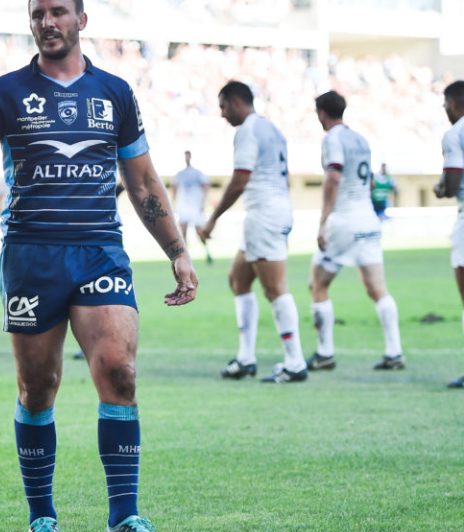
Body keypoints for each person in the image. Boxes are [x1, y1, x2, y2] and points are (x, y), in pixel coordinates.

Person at [0, 2, 198, 532]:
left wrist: (176, 248)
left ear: (82, 20)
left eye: (59, 11)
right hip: (31, 255)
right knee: (38, 387)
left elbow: (144, 182)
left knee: (119, 372)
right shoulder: (7, 92)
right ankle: (42, 520)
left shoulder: (115, 93)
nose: (47, 22)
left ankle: (124, 517)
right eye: (38, 14)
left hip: (100, 249)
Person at [199, 81, 308, 383]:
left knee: (275, 289)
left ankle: (295, 362)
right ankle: (246, 358)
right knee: (238, 278)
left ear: (236, 102)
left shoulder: (246, 130)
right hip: (273, 211)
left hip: (265, 214)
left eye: (222, 106)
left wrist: (213, 219)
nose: (222, 114)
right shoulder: (271, 128)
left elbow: (240, 180)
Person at [306, 91, 404, 372]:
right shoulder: (360, 139)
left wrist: (323, 222)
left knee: (318, 285)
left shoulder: (332, 139)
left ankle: (324, 352)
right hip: (368, 221)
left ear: (322, 113)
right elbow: (370, 182)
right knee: (378, 289)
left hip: (344, 221)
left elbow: (334, 177)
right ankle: (394, 351)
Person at [434, 81, 464, 388]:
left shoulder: (455, 134)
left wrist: (439, 187)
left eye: (445, 104)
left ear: (454, 103)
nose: (444, 110)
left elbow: (452, 185)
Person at [171, 150, 212, 264]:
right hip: (183, 206)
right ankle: (185, 257)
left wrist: (203, 203)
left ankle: (207, 252)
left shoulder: (198, 173)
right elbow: (174, 188)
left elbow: (206, 186)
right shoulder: (179, 174)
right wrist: (174, 203)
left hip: (195, 206)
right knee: (182, 233)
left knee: (199, 231)